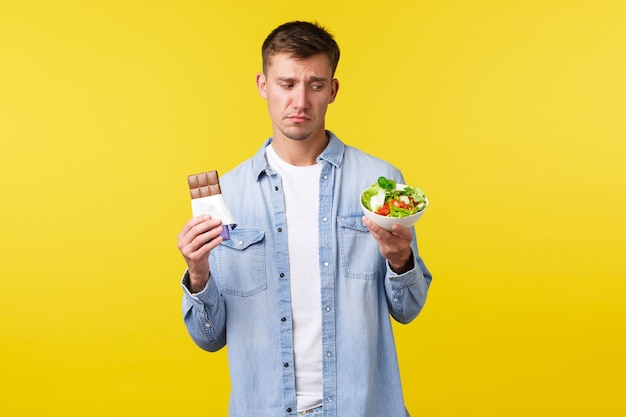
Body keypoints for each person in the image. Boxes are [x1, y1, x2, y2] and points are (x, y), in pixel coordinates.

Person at [177, 21, 432, 417]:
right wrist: (198, 274)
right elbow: (209, 337)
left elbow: (409, 309)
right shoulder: (225, 196)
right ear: (263, 85)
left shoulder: (380, 186)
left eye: (314, 85)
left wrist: (401, 261)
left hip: (362, 407)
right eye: (286, 84)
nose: (300, 102)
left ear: (332, 90)